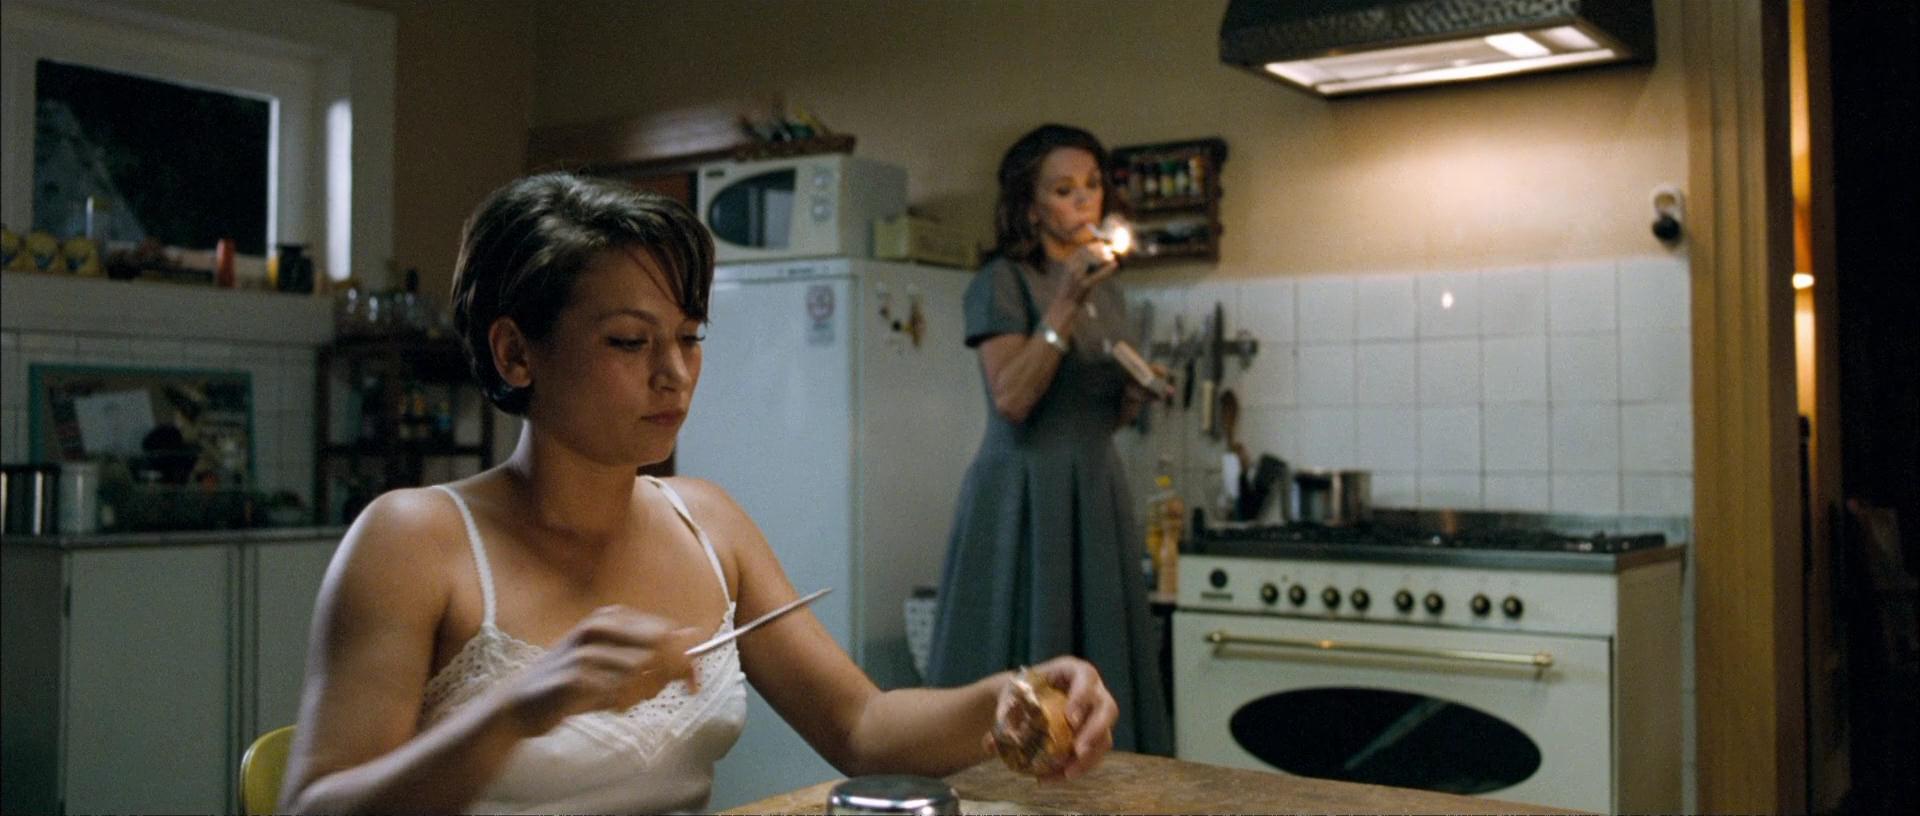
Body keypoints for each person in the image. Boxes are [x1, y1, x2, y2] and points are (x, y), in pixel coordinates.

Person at [278, 173, 1118, 814]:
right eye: (629, 341)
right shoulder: (413, 541)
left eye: (689, 336)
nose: (675, 373)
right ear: (516, 353)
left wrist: (1010, 695)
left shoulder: (707, 522)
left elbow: (862, 727)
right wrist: (514, 714)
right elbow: (313, 807)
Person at [926, 125, 1172, 756]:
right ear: (1030, 206)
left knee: (1100, 661)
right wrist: (1064, 303)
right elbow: (1013, 399)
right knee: (1021, 661)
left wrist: (1134, 393)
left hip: (1094, 490)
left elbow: (1092, 417)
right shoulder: (1003, 281)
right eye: (1064, 190)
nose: (1084, 200)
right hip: (1024, 496)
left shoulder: (1109, 289)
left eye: (1092, 185)